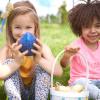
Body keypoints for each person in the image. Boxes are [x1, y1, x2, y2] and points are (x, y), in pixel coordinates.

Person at [0, 0, 63, 100]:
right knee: (9, 62)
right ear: (10, 28)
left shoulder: (41, 48)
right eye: (17, 27)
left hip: (36, 92)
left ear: (35, 28)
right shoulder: (7, 49)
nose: (23, 32)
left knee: (43, 67)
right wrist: (16, 63)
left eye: (28, 27)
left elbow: (59, 72)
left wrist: (39, 60)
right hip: (17, 91)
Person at [60, 0, 100, 99]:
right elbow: (63, 65)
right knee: (81, 83)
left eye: (97, 26)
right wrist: (67, 55)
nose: (93, 31)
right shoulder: (76, 46)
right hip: (80, 82)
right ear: (79, 28)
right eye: (87, 26)